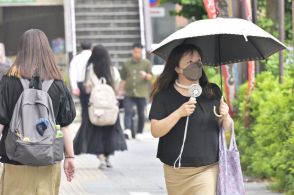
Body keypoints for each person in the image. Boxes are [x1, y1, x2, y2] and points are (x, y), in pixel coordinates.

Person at [149, 44, 232, 195]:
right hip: (175, 171)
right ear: (177, 68)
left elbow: (226, 128)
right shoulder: (164, 96)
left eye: (198, 60)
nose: (196, 65)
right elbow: (155, 131)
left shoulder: (212, 91)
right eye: (189, 62)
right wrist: (179, 113)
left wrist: (225, 116)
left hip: (207, 168)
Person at [0, 29, 76, 195]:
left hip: (15, 158)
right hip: (48, 158)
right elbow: (65, 126)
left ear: (21, 50)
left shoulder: (8, 81)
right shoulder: (57, 83)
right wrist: (69, 157)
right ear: (47, 50)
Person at [74, 45, 127, 169]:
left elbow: (87, 88)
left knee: (96, 132)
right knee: (109, 131)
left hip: (96, 109)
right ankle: (108, 158)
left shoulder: (91, 71)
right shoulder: (113, 70)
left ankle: (102, 158)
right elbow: (117, 88)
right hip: (110, 108)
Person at [119, 43, 153, 139]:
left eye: (139, 52)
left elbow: (151, 76)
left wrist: (145, 75)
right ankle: (127, 130)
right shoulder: (126, 63)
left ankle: (139, 132)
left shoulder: (146, 63)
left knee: (141, 113)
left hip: (141, 93)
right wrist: (120, 90)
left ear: (142, 52)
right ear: (132, 51)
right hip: (129, 92)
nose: (137, 54)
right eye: (135, 52)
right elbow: (123, 79)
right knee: (127, 111)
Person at [69, 41, 92, 117]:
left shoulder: (76, 59)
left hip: (80, 84)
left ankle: (84, 123)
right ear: (91, 47)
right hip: (92, 84)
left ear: (81, 47)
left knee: (84, 105)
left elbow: (72, 73)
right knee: (93, 104)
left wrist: (74, 87)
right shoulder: (94, 57)